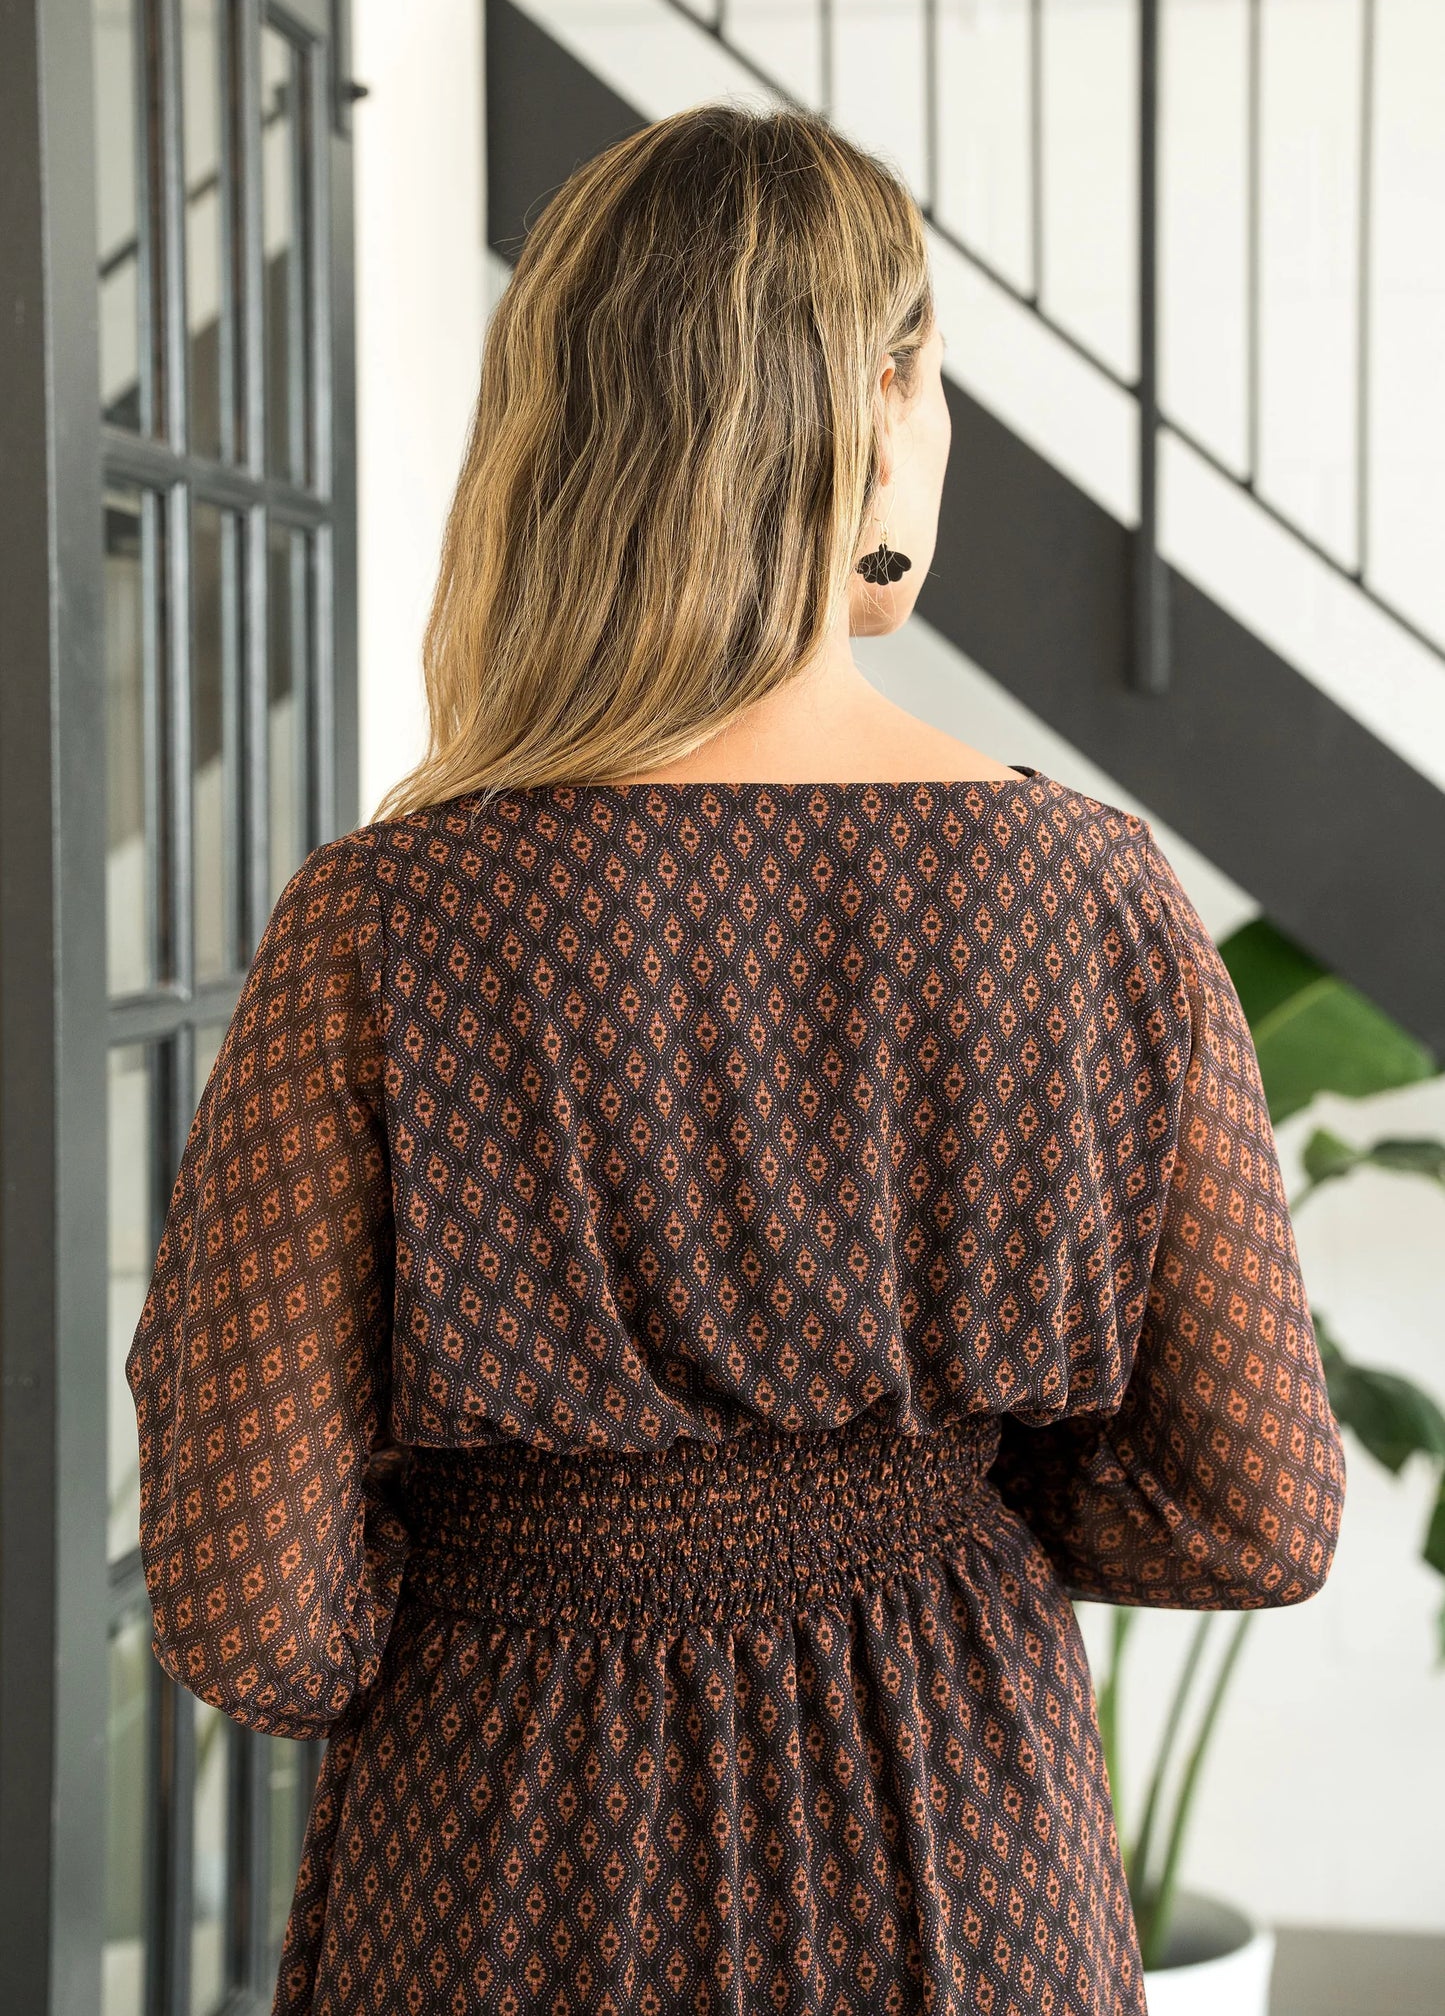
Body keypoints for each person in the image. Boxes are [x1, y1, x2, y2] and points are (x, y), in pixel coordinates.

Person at [126, 104, 1345, 2016]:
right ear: (882, 401)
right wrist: (920, 1525)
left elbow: (249, 1606)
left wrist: (520, 1588)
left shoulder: (383, 925)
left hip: (496, 1856)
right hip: (966, 1852)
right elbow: (1254, 1507)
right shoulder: (1088, 900)